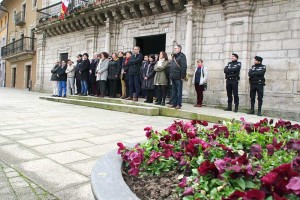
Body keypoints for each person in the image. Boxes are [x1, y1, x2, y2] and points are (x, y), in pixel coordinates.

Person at [168, 45, 187, 109]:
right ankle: (174, 103)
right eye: (174, 48)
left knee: (179, 91)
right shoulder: (174, 56)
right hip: (173, 76)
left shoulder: (182, 56)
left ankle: (179, 104)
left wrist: (182, 76)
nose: (174, 49)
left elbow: (184, 67)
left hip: (179, 76)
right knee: (174, 91)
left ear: (179, 49)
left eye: (175, 48)